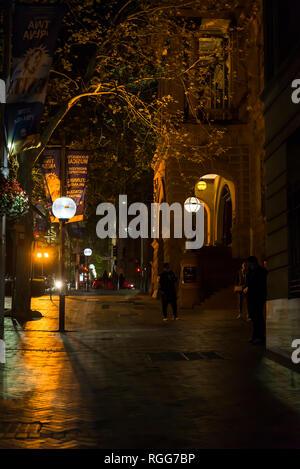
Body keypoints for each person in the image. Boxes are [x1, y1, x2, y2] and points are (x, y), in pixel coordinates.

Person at [244, 256, 267, 345]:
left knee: (258, 317)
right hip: (251, 297)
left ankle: (260, 336)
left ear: (253, 262)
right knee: (253, 317)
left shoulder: (261, 271)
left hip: (258, 297)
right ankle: (255, 335)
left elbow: (261, 285)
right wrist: (245, 288)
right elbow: (248, 282)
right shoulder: (250, 272)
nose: (247, 265)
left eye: (248, 263)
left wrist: (250, 288)